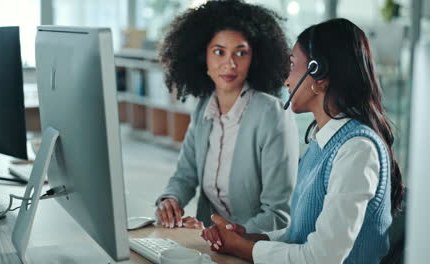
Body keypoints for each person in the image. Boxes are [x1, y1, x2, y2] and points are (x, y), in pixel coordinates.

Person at [201, 18, 405, 263]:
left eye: (292, 65)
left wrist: (242, 249)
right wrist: (251, 238)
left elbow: (321, 257)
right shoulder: (322, 142)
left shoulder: (357, 149)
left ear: (319, 73)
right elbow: (300, 234)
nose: (286, 79)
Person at [155, 0, 299, 235]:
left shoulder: (272, 114)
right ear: (204, 57)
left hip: (255, 249)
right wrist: (170, 200)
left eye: (241, 53)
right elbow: (185, 175)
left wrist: (227, 236)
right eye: (219, 52)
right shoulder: (204, 108)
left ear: (254, 58)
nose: (229, 64)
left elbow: (278, 214)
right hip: (210, 245)